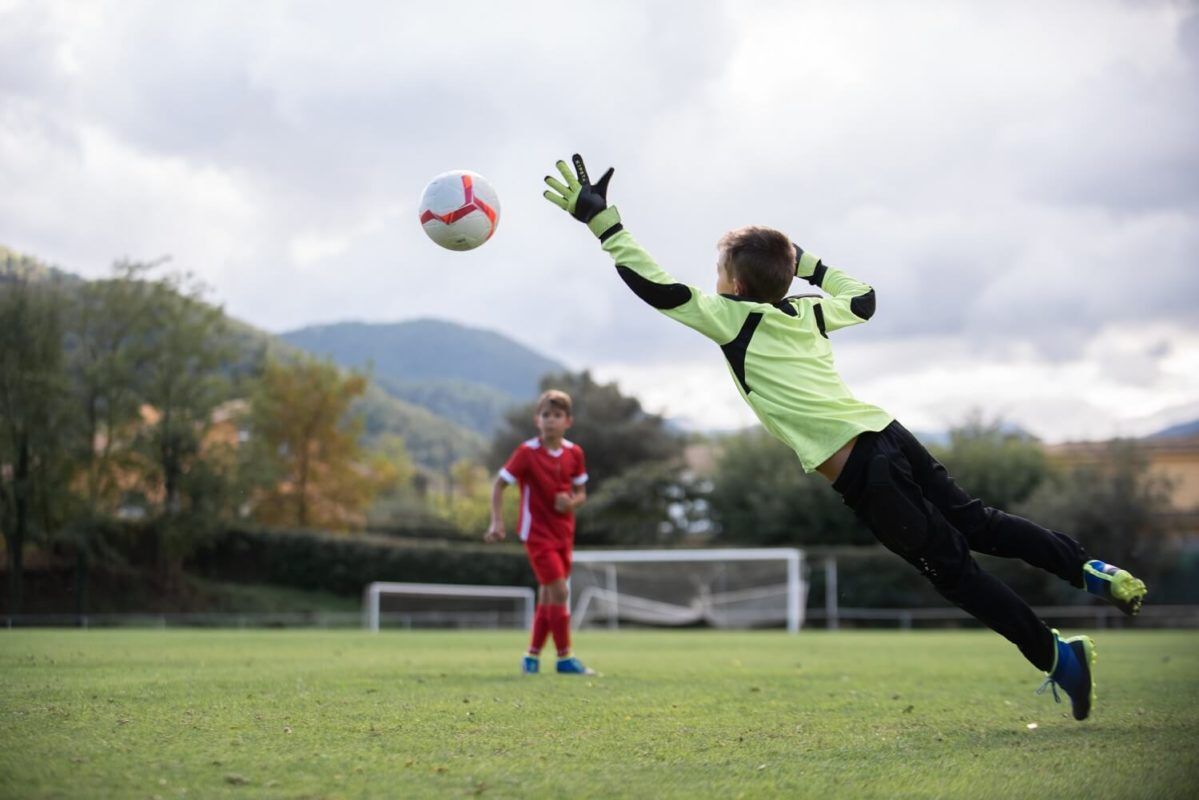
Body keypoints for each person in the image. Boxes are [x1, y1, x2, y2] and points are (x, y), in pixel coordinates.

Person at [541, 153, 1147, 719]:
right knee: (980, 522)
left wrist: (604, 223)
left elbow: (656, 287)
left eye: (720, 270)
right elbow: (865, 299)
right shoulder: (805, 311)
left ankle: (1058, 656)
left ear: (733, 285)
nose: (713, 278)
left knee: (956, 572)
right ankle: (1089, 569)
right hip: (890, 432)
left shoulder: (730, 318)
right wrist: (803, 262)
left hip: (864, 471)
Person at [485, 389, 595, 676]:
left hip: (564, 533)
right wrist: (496, 522)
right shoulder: (527, 453)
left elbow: (582, 492)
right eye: (546, 415)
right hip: (536, 534)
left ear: (568, 421)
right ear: (537, 419)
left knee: (549, 595)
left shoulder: (575, 453)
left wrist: (571, 502)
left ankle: (531, 657)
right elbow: (499, 484)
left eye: (557, 415)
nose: (551, 421)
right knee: (560, 591)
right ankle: (565, 658)